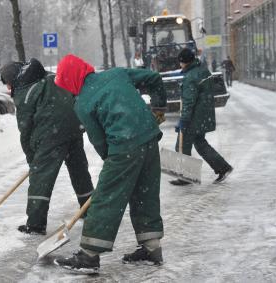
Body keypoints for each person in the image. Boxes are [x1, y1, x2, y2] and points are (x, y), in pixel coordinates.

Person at [53, 54, 167, 274]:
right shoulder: (117, 74)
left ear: (71, 80)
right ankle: (152, 248)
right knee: (145, 192)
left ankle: (88, 255)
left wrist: (114, 167)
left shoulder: (83, 104)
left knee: (106, 197)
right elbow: (153, 78)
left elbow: (99, 141)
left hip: (124, 146)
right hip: (149, 137)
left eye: (65, 85)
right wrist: (159, 108)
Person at [0, 59, 94, 235]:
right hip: (74, 126)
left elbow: (25, 129)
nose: (8, 89)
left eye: (8, 84)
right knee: (79, 170)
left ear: (13, 80)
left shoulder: (25, 91)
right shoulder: (51, 77)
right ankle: (90, 211)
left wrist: (32, 160)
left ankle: (35, 224)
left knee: (41, 178)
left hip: (52, 133)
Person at [170, 48, 233, 186]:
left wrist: (184, 120)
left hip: (194, 117)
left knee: (181, 145)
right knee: (200, 144)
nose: (180, 65)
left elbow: (188, 101)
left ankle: (186, 177)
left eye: (180, 62)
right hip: (204, 115)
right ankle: (223, 168)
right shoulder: (203, 71)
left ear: (184, 62)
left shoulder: (190, 78)